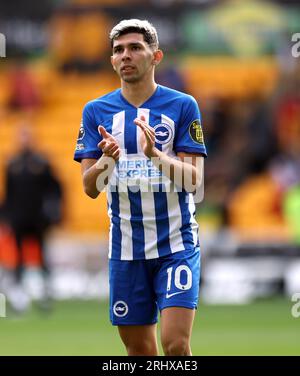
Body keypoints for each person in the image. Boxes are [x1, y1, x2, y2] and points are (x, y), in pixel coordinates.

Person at [74, 19, 207, 356]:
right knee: (140, 352)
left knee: (176, 345)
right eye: (119, 50)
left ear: (156, 56)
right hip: (126, 251)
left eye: (135, 48)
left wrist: (155, 155)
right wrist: (109, 160)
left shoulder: (182, 105)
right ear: (112, 60)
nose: (126, 55)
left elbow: (194, 179)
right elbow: (90, 188)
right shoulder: (96, 112)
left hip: (176, 243)